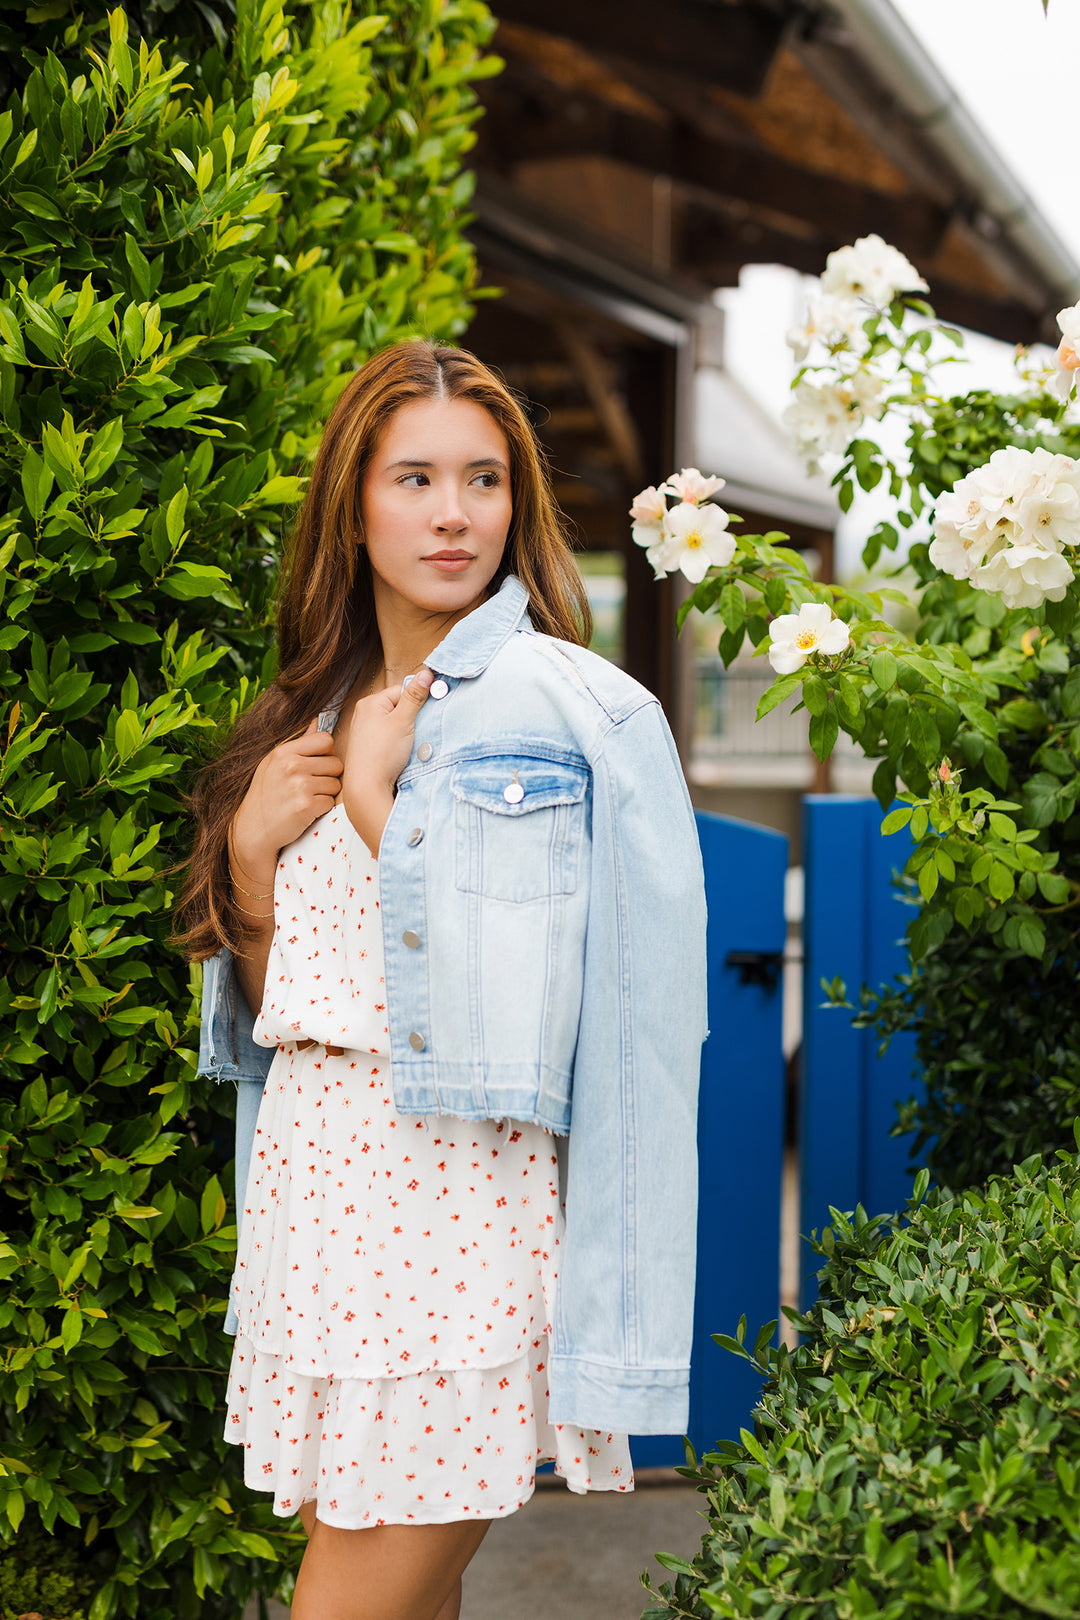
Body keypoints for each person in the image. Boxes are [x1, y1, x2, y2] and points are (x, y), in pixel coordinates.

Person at [179, 340, 708, 1620]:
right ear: (352, 511)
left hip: (452, 1216)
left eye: (482, 479)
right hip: (316, 1203)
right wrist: (251, 854)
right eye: (412, 478)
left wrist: (373, 808)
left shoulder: (578, 712)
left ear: (518, 504)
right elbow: (287, 999)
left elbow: (597, 1019)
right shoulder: (304, 710)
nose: (453, 512)